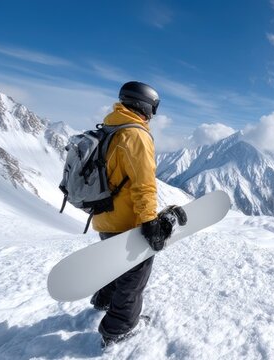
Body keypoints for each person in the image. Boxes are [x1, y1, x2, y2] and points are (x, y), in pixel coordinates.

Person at [89, 81, 187, 348]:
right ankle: (118, 328)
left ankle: (103, 299)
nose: (153, 114)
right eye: (153, 108)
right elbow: (143, 185)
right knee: (135, 276)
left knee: (114, 263)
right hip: (125, 221)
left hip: (103, 216)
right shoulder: (136, 135)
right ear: (145, 106)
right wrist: (148, 223)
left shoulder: (111, 126)